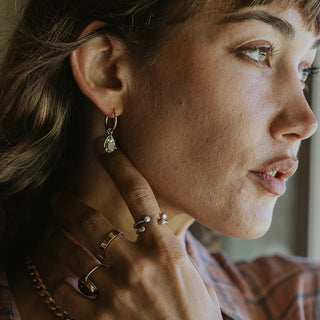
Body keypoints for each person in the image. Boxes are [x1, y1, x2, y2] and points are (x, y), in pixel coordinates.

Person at [0, 0, 320, 319]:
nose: (305, 122)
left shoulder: (304, 302)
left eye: (305, 71)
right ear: (107, 71)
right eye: (258, 52)